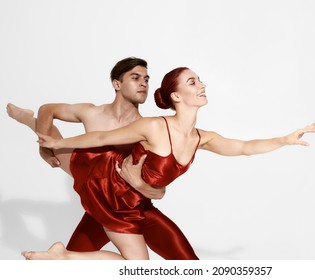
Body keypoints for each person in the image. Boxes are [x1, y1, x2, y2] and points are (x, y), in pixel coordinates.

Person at [23, 66, 315, 260]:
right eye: (194, 81)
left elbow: (243, 147)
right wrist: (59, 143)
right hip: (112, 192)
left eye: (200, 80)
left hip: (139, 204)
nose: (202, 84)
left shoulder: (202, 138)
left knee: (187, 265)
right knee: (139, 267)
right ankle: (29, 120)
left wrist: (284, 139)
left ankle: (65, 257)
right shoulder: (154, 126)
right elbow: (102, 138)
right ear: (177, 95)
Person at [7, 57, 198, 260]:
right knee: (55, 138)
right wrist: (45, 151)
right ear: (117, 84)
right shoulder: (92, 113)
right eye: (135, 77)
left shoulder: (147, 128)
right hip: (89, 177)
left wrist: (138, 183)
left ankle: (62, 257)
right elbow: (48, 109)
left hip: (127, 206)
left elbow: (158, 190)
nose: (144, 83)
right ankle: (26, 117)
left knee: (188, 264)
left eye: (146, 79)